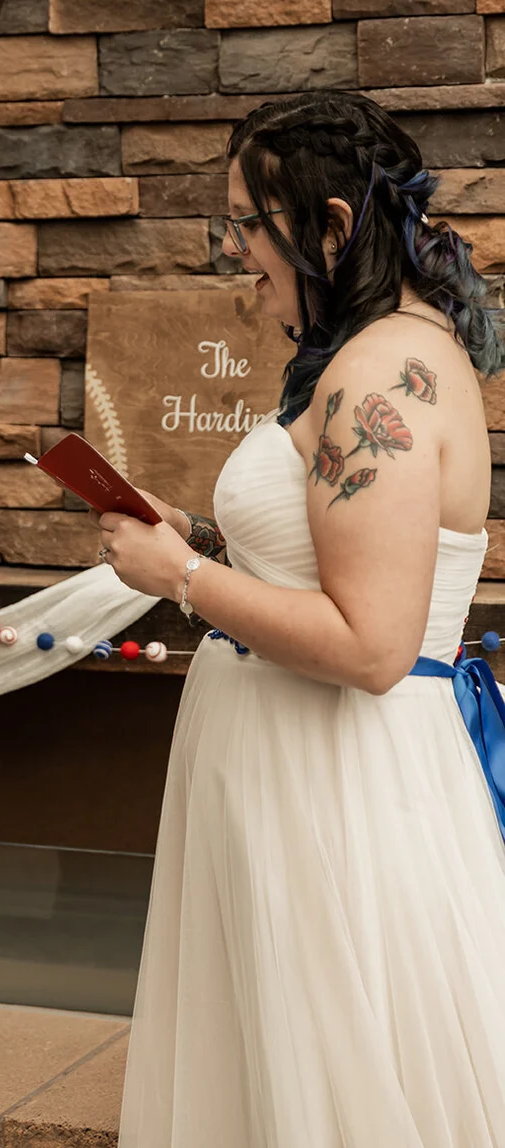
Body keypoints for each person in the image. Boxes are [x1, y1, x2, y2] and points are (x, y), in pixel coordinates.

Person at [100, 93, 505, 1148]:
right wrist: (194, 535)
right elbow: (317, 559)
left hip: (341, 790)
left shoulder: (386, 378)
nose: (237, 253)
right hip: (284, 775)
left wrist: (182, 574)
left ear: (329, 226)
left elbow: (372, 646)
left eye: (246, 224)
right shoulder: (360, 352)